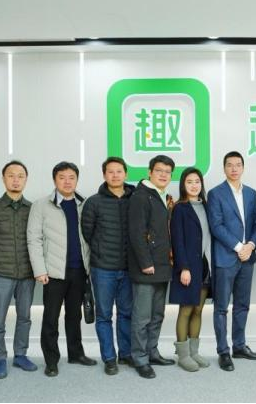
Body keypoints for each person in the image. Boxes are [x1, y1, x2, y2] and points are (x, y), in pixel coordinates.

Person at [27, 162, 97, 378]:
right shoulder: (41, 206)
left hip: (79, 270)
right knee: (51, 318)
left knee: (74, 316)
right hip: (53, 272)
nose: (67, 182)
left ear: (77, 180)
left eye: (71, 177)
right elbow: (34, 239)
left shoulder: (84, 204)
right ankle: (51, 360)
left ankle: (76, 354)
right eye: (62, 177)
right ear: (54, 180)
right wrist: (39, 269)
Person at [0, 161, 38, 379]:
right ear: (3, 179)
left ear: (26, 180)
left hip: (27, 274)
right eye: (11, 175)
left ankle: (20, 355)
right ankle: (0, 358)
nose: (16, 180)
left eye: (20, 176)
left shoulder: (33, 209)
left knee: (24, 317)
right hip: (0, 273)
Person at [207, 151, 256, 372]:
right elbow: (216, 226)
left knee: (242, 305)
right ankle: (223, 351)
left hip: (247, 258)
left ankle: (239, 346)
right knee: (221, 307)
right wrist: (239, 247)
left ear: (243, 168)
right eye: (229, 165)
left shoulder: (251, 193)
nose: (234, 169)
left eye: (238, 165)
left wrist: (251, 245)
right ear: (224, 168)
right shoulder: (215, 193)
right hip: (226, 257)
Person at [81, 157, 135, 376]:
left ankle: (126, 353)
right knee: (104, 315)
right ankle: (109, 358)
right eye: (110, 172)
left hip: (129, 268)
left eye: (119, 171)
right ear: (104, 175)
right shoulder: (94, 202)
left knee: (126, 313)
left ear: (125, 174)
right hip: (103, 268)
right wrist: (101, 251)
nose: (115, 175)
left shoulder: (135, 199)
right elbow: (87, 233)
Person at [128, 155, 177, 379]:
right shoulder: (141, 196)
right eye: (159, 170)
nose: (163, 175)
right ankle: (140, 358)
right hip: (146, 268)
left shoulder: (165, 196)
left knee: (158, 314)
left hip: (163, 265)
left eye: (167, 172)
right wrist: (145, 263)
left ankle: (152, 352)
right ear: (149, 172)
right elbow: (136, 232)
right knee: (142, 317)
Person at [169, 167, 213, 372]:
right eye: (189, 182)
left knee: (198, 309)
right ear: (183, 185)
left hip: (205, 266)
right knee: (186, 309)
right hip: (188, 267)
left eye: (197, 181)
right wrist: (183, 268)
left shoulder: (206, 206)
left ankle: (194, 352)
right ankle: (183, 355)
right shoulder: (180, 208)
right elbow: (177, 241)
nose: (194, 185)